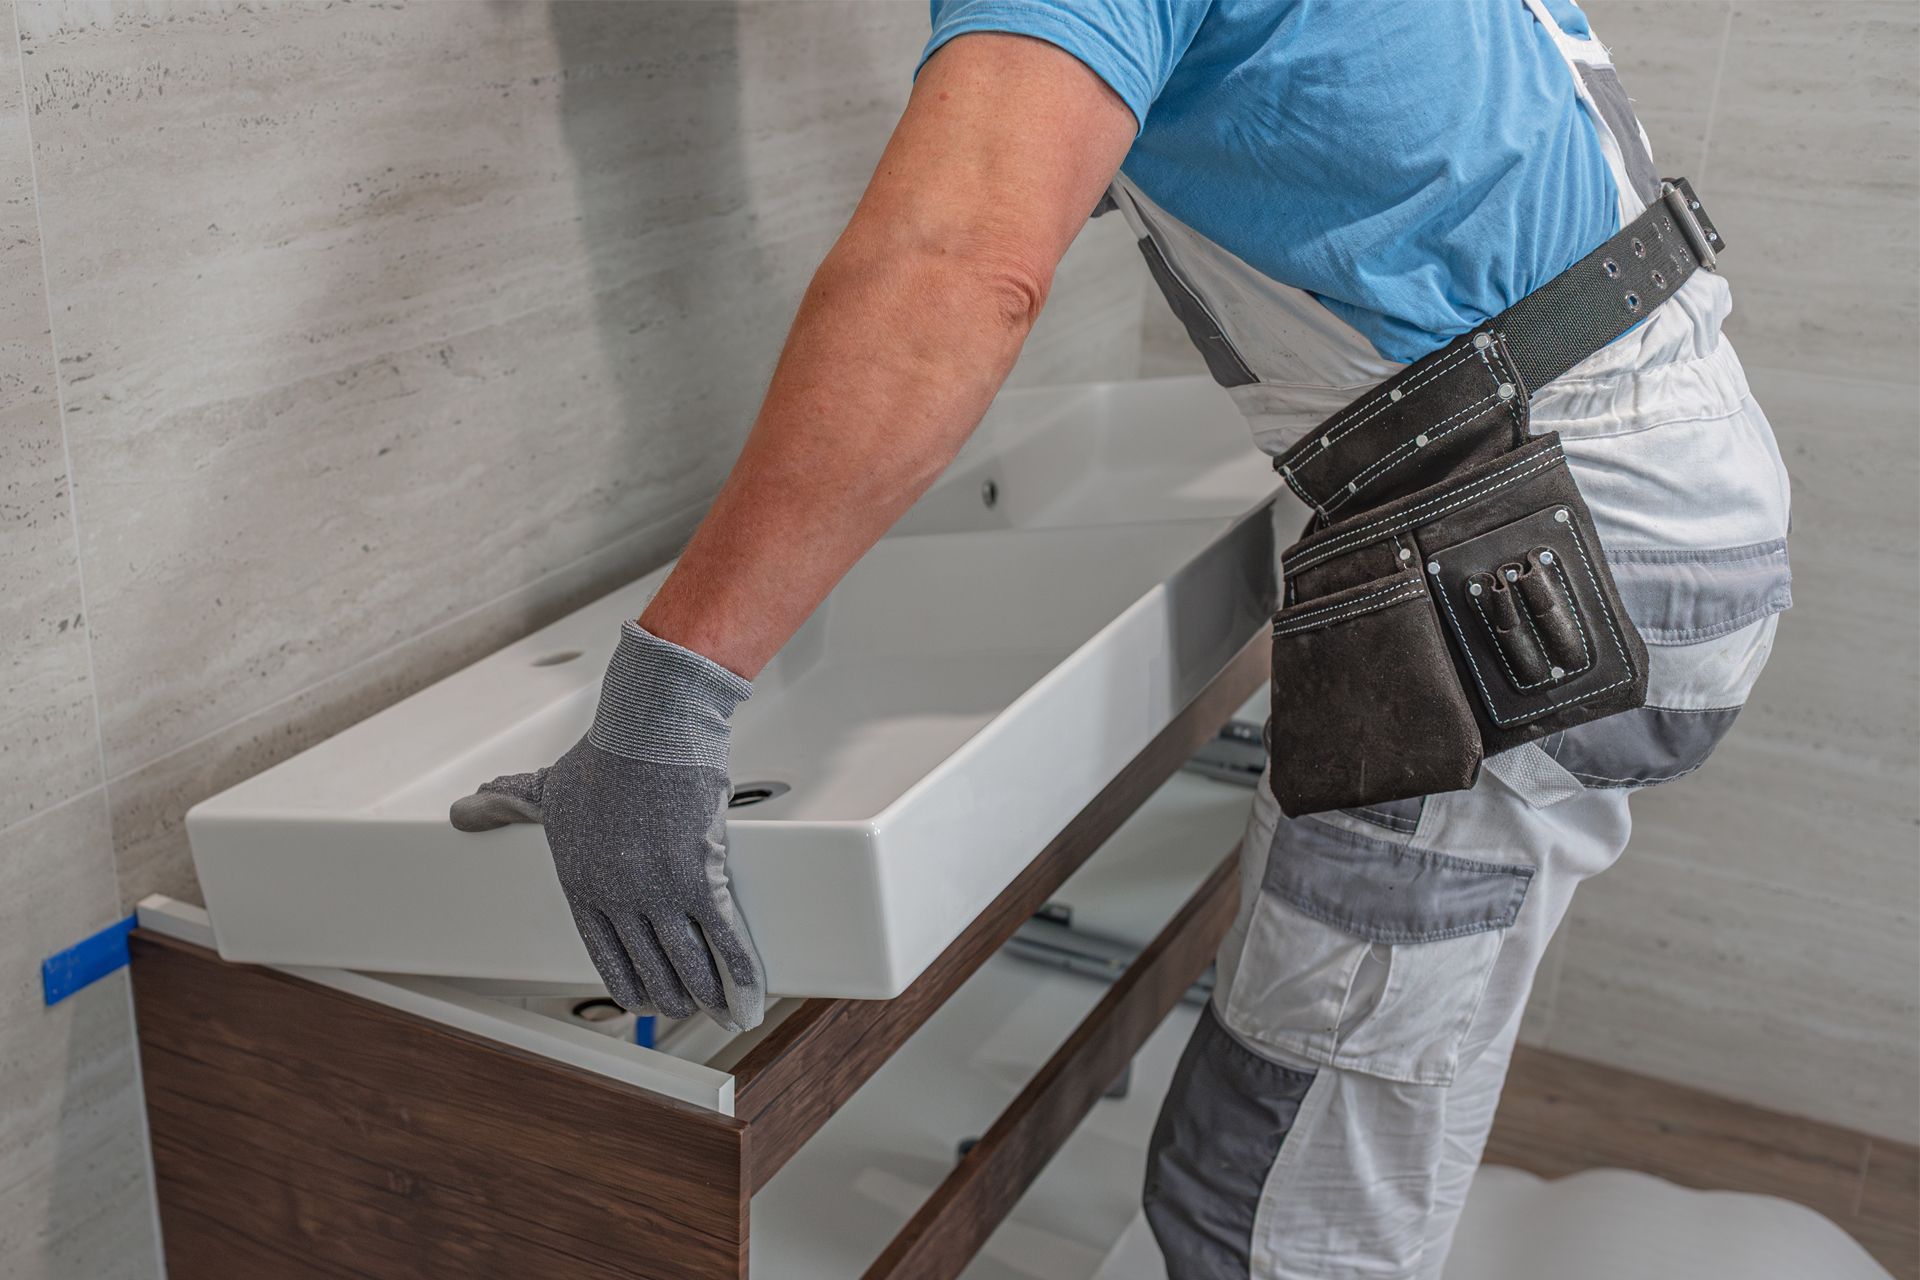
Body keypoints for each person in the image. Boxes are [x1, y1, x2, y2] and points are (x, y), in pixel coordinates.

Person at [450, 2, 1792, 1276]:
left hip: (1532, 545)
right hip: (1615, 501)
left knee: (1263, 1210)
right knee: (1360, 1094)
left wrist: (667, 701)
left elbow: (957, 276)